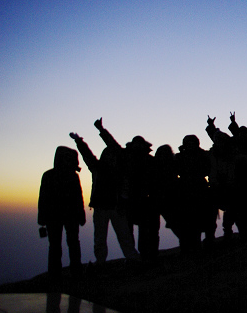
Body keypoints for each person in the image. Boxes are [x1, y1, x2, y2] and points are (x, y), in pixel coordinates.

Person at [69, 132, 139, 267]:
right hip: (103, 207)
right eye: (108, 156)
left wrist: (79, 141)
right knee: (103, 236)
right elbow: (87, 154)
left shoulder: (116, 170)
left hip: (114, 207)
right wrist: (79, 141)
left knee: (120, 234)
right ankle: (105, 260)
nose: (110, 158)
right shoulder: (99, 168)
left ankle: (129, 257)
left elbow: (89, 155)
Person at [94, 119, 160, 261]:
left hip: (143, 199)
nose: (137, 146)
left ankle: (142, 256)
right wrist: (101, 130)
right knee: (127, 229)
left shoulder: (148, 160)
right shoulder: (126, 156)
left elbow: (155, 179)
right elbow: (111, 143)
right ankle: (134, 257)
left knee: (143, 229)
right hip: (128, 199)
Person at [38, 146, 86, 283]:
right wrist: (81, 215)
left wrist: (42, 219)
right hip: (68, 216)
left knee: (56, 246)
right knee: (71, 244)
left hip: (55, 216)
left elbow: (43, 198)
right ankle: (75, 272)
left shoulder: (49, 175)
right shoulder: (72, 176)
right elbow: (78, 197)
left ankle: (55, 275)